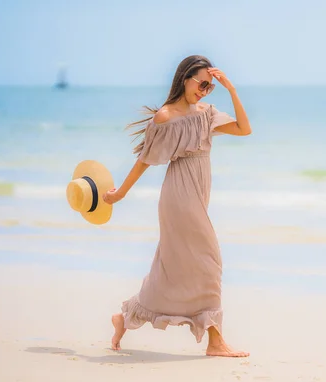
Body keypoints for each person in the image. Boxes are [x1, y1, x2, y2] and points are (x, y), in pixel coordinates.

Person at [102, 55, 251, 357]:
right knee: (209, 262)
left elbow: (244, 129)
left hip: (198, 193)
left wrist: (232, 90)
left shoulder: (207, 113)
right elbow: (145, 158)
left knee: (177, 270)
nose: (204, 91)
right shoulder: (166, 116)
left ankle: (126, 316)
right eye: (201, 84)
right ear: (185, 78)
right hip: (178, 196)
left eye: (210, 87)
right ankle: (215, 342)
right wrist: (121, 193)